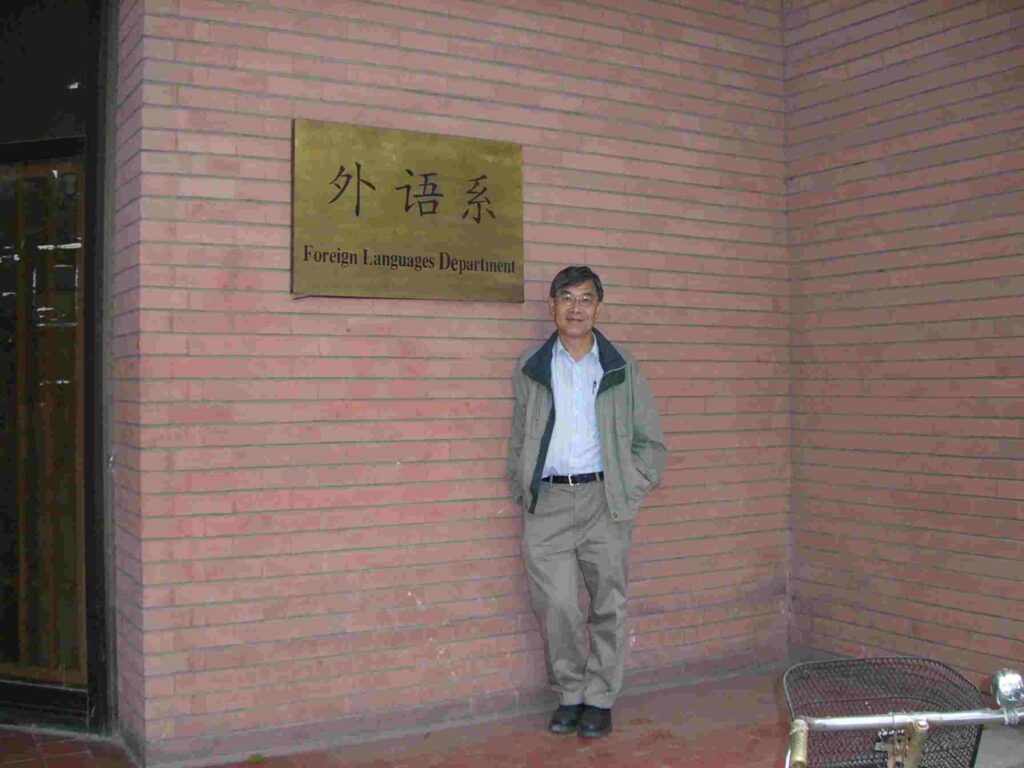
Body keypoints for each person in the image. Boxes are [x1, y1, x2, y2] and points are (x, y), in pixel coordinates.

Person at [507, 265, 667, 738]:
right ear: (551, 306)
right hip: (549, 502)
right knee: (556, 605)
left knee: (607, 604)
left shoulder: (619, 367)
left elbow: (650, 442)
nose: (575, 308)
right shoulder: (532, 366)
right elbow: (520, 436)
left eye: (585, 299)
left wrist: (630, 485)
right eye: (566, 298)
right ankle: (570, 692)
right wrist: (521, 484)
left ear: (598, 307)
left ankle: (599, 698)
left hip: (605, 500)